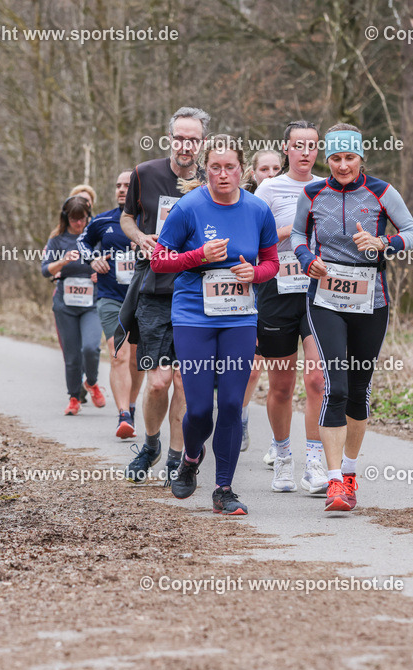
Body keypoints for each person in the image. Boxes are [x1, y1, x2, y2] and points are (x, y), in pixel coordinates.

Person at [290, 123, 413, 512]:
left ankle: (349, 474)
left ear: (361, 157)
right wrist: (306, 259)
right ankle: (333, 483)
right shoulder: (312, 193)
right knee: (337, 387)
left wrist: (384, 242)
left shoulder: (381, 192)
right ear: (326, 159)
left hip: (372, 301)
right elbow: (297, 235)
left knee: (360, 389)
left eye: (349, 158)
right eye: (335, 158)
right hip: (326, 299)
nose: (342, 165)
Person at [151, 135, 279, 515]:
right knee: (200, 409)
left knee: (231, 403)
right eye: (216, 168)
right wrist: (198, 255)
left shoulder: (258, 210)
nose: (223, 175)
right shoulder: (189, 208)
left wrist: (254, 273)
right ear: (206, 168)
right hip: (194, 316)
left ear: (244, 170)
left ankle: (224, 488)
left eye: (231, 168)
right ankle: (191, 457)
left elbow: (271, 262)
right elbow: (159, 260)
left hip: (239, 316)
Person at [119, 106, 209, 485]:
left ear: (202, 143)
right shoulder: (145, 173)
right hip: (155, 290)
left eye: (193, 139)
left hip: (196, 290)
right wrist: (139, 238)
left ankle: (177, 456)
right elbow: (126, 217)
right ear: (170, 138)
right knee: (158, 381)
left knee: (186, 382)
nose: (185, 145)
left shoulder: (213, 180)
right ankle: (151, 444)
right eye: (179, 137)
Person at [254, 121, 330, 494]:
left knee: (317, 380)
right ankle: (283, 456)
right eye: (298, 145)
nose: (305, 152)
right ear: (286, 149)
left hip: (318, 292)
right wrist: (293, 233)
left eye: (312, 145)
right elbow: (256, 240)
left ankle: (314, 462)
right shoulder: (269, 187)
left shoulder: (327, 187)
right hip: (277, 289)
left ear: (318, 150)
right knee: (281, 386)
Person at [77, 170, 143, 437]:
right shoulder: (103, 220)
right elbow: (82, 242)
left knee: (138, 360)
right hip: (111, 297)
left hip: (143, 298)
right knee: (119, 355)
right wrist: (93, 258)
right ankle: (123, 416)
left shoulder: (150, 220)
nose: (121, 189)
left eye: (128, 185)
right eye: (118, 185)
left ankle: (131, 405)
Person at [238, 148, 284, 451]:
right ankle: (239, 416)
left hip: (287, 286)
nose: (270, 175)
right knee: (253, 367)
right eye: (264, 169)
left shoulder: (296, 196)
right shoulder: (246, 204)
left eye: (276, 169)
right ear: (253, 174)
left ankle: (279, 440)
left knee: (278, 373)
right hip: (253, 286)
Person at [42, 196, 105, 415]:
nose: (78, 224)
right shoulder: (58, 240)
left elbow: (111, 263)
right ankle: (73, 398)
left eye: (82, 219)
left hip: (92, 304)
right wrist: (62, 262)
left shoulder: (96, 238)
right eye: (74, 219)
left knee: (90, 347)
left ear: (89, 217)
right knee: (72, 356)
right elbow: (44, 270)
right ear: (66, 217)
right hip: (65, 305)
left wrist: (101, 274)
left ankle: (92, 382)